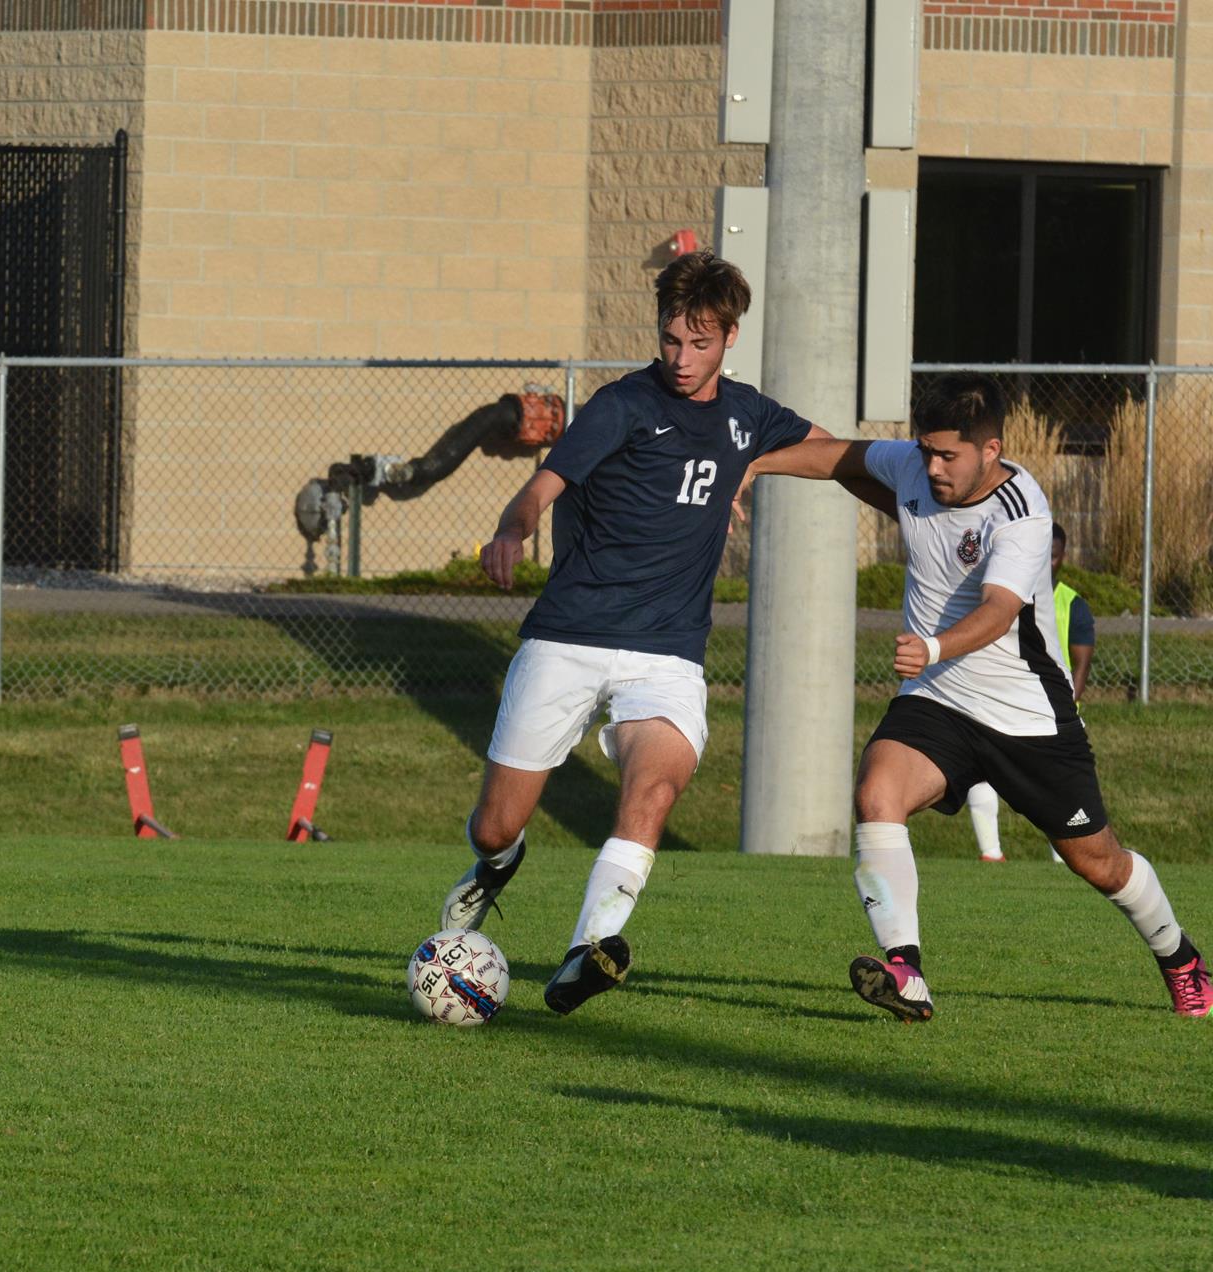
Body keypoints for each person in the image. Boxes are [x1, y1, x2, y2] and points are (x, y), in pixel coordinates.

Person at [440, 250, 827, 1015]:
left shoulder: (747, 415)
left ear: (730, 337)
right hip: (570, 635)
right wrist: (512, 531)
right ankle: (498, 863)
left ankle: (586, 950)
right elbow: (540, 487)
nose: (682, 357)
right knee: (494, 824)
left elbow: (835, 452)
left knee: (652, 791)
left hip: (666, 655)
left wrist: (771, 465)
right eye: (671, 339)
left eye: (700, 343)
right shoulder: (620, 405)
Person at [748, 374, 1206, 1019]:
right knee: (877, 795)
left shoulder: (1021, 513)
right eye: (925, 451)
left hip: (1026, 713)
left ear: (991, 450)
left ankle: (1180, 957)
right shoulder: (916, 464)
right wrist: (751, 465)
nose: (931, 467)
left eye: (947, 456)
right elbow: (839, 457)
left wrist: (933, 647)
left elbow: (997, 612)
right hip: (939, 698)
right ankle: (905, 970)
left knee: (1098, 862)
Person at [964, 521, 1094, 861]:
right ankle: (991, 854)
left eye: (1053, 556)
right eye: (1041, 553)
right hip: (997, 701)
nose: (1045, 562)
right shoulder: (995, 594)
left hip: (1047, 713)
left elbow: (1081, 667)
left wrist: (1063, 708)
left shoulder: (1072, 604)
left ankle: (1064, 861)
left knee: (1057, 788)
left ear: (1063, 558)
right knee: (980, 771)